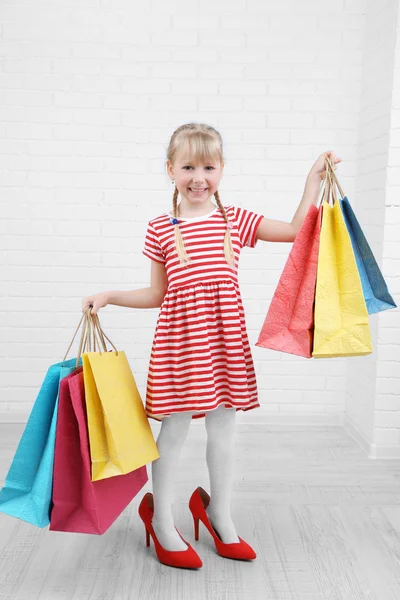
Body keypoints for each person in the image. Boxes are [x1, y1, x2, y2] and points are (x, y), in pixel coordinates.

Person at [82, 122, 341, 569]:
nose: (198, 176)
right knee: (175, 431)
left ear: (222, 170)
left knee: (224, 430)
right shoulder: (161, 229)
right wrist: (109, 296)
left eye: (208, 166)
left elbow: (299, 230)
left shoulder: (234, 220)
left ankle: (218, 513)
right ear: (170, 170)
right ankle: (161, 519)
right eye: (187, 166)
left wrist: (311, 181)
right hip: (181, 347)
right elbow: (156, 296)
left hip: (224, 343)